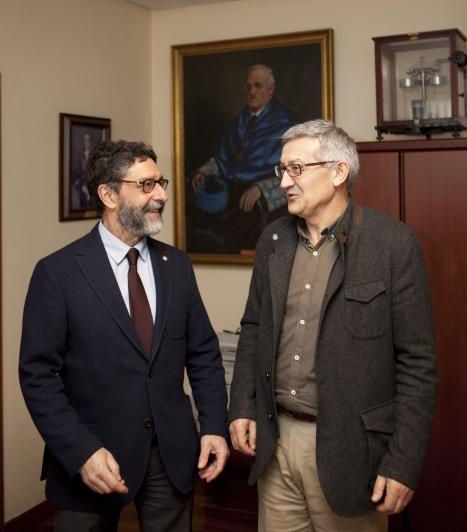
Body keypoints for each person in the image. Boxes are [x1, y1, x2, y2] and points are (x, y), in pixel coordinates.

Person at [229, 120, 437, 532]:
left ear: (339, 172)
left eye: (297, 169)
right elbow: (253, 327)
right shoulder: (273, 240)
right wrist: (241, 406)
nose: (285, 181)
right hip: (276, 443)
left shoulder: (392, 245)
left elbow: (418, 366)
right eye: (281, 170)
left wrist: (403, 462)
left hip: (351, 449)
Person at [20, 140, 229, 532]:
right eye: (147, 185)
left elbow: (203, 354)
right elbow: (38, 376)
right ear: (109, 194)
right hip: (91, 461)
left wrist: (215, 425)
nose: (162, 195)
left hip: (171, 454)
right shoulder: (58, 273)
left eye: (160, 182)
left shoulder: (177, 266)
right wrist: (81, 452)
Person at [190, 64, 295, 253]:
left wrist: (262, 188)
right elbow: (226, 157)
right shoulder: (240, 120)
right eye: (248, 87)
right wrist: (204, 171)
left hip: (258, 201)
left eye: (258, 86)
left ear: (271, 90)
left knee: (231, 236)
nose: (252, 92)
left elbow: (296, 173)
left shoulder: (285, 124)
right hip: (230, 194)